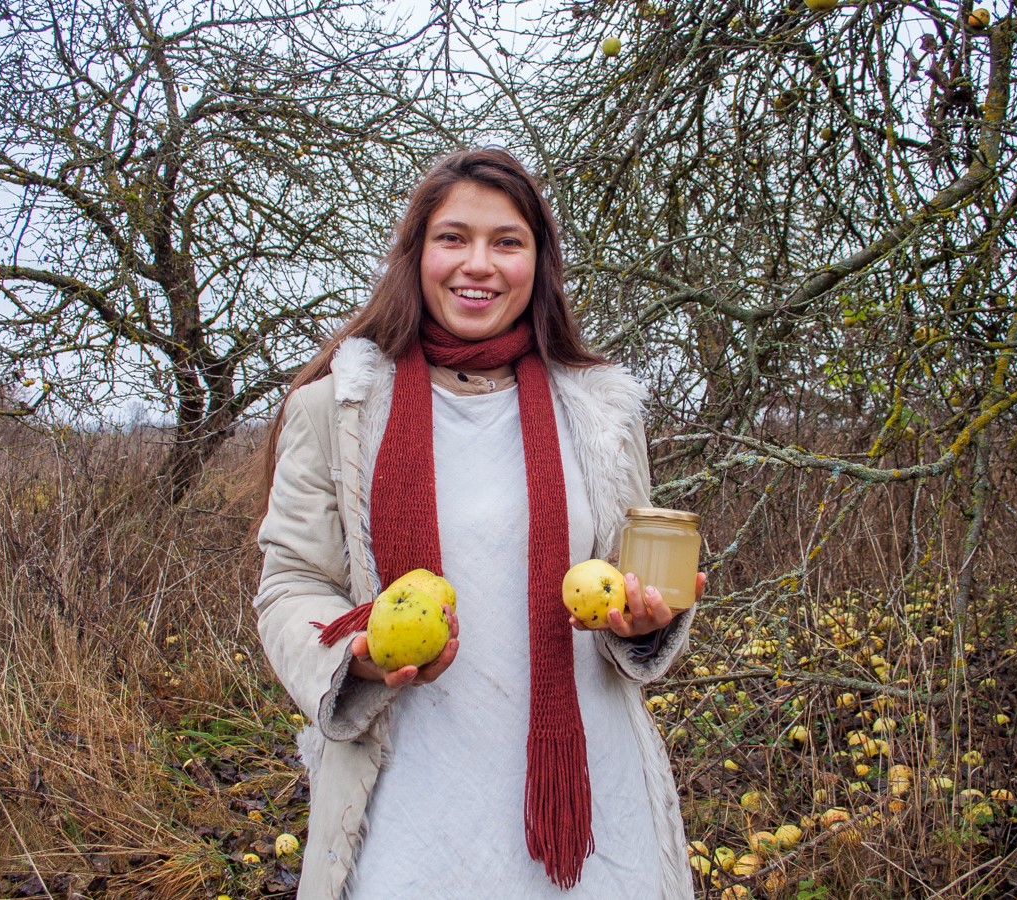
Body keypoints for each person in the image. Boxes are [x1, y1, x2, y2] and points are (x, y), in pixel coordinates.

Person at [253, 147, 701, 900]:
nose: (479, 264)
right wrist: (354, 657)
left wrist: (645, 622)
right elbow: (291, 584)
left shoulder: (598, 412)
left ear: (539, 263)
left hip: (586, 804)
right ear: (418, 255)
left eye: (507, 242)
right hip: (412, 799)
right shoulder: (340, 409)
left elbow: (633, 574)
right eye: (453, 238)